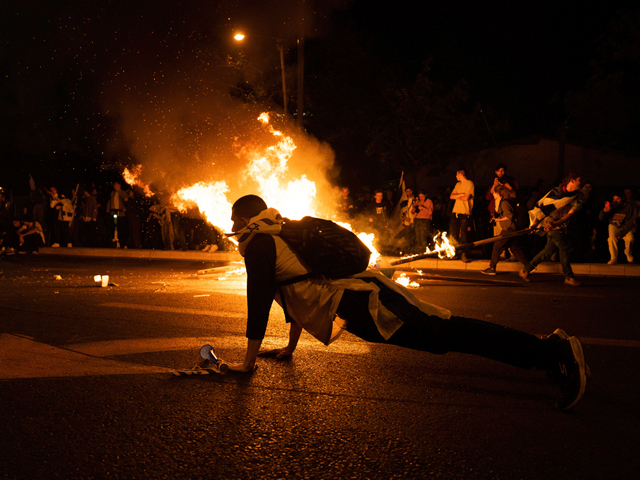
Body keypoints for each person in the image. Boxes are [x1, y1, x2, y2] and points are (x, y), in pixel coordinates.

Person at [224, 194, 588, 411]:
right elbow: (298, 291)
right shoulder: (277, 229)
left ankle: (551, 353)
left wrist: (246, 363)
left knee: (449, 333)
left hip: (365, 304)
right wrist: (290, 347)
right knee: (448, 334)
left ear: (242, 218)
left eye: (232, 218)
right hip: (365, 297)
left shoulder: (257, 242)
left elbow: (260, 301)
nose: (230, 224)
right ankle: (545, 354)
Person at [520, 173, 585, 286]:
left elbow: (569, 215)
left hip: (557, 225)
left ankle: (525, 270)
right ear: (572, 181)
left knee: (547, 252)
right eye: (580, 180)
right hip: (551, 224)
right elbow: (542, 209)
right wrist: (534, 225)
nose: (582, 182)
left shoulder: (578, 196)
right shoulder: (556, 192)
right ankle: (569, 277)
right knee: (564, 248)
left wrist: (555, 223)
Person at [481, 185, 529, 276]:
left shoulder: (504, 203)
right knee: (515, 248)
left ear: (498, 193)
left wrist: (498, 220)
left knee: (496, 246)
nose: (493, 195)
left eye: (494, 193)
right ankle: (529, 266)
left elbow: (509, 216)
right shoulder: (504, 202)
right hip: (510, 228)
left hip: (508, 229)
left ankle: (492, 268)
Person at [598, 192, 636, 264]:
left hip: (624, 226)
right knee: (611, 239)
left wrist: (622, 233)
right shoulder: (610, 205)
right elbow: (601, 218)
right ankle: (613, 258)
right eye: (614, 199)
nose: (615, 201)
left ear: (623, 198)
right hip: (613, 225)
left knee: (630, 238)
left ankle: (628, 253)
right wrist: (604, 211)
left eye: (618, 199)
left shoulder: (629, 207)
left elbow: (629, 222)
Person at [485, 163, 518, 236]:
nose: (500, 173)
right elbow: (488, 197)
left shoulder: (511, 180)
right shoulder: (493, 183)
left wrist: (506, 184)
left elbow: (515, 194)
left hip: (506, 210)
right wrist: (494, 185)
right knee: (497, 234)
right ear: (495, 172)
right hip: (496, 211)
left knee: (506, 233)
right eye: (498, 171)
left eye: (502, 171)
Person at [449, 169, 474, 262]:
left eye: (457, 174)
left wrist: (458, 195)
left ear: (460, 174)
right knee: (454, 234)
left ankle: (464, 254)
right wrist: (461, 194)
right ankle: (454, 253)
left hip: (464, 212)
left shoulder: (470, 183)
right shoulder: (457, 185)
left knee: (464, 234)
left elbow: (466, 198)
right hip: (455, 212)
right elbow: (451, 196)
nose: (456, 176)